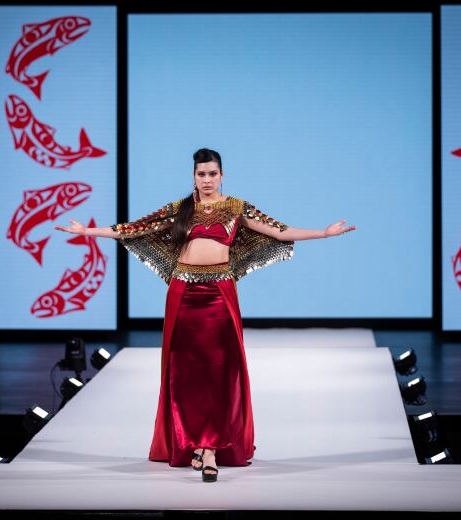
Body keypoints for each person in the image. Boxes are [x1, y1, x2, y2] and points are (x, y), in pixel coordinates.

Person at [55, 148, 356, 482]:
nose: (208, 180)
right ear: (194, 176)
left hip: (220, 295)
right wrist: (89, 233)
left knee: (221, 372)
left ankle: (210, 447)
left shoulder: (237, 208)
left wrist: (323, 233)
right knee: (183, 374)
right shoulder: (181, 210)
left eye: (213, 174)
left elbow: (280, 231)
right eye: (202, 174)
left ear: (222, 175)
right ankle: (193, 444)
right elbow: (135, 229)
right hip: (183, 296)